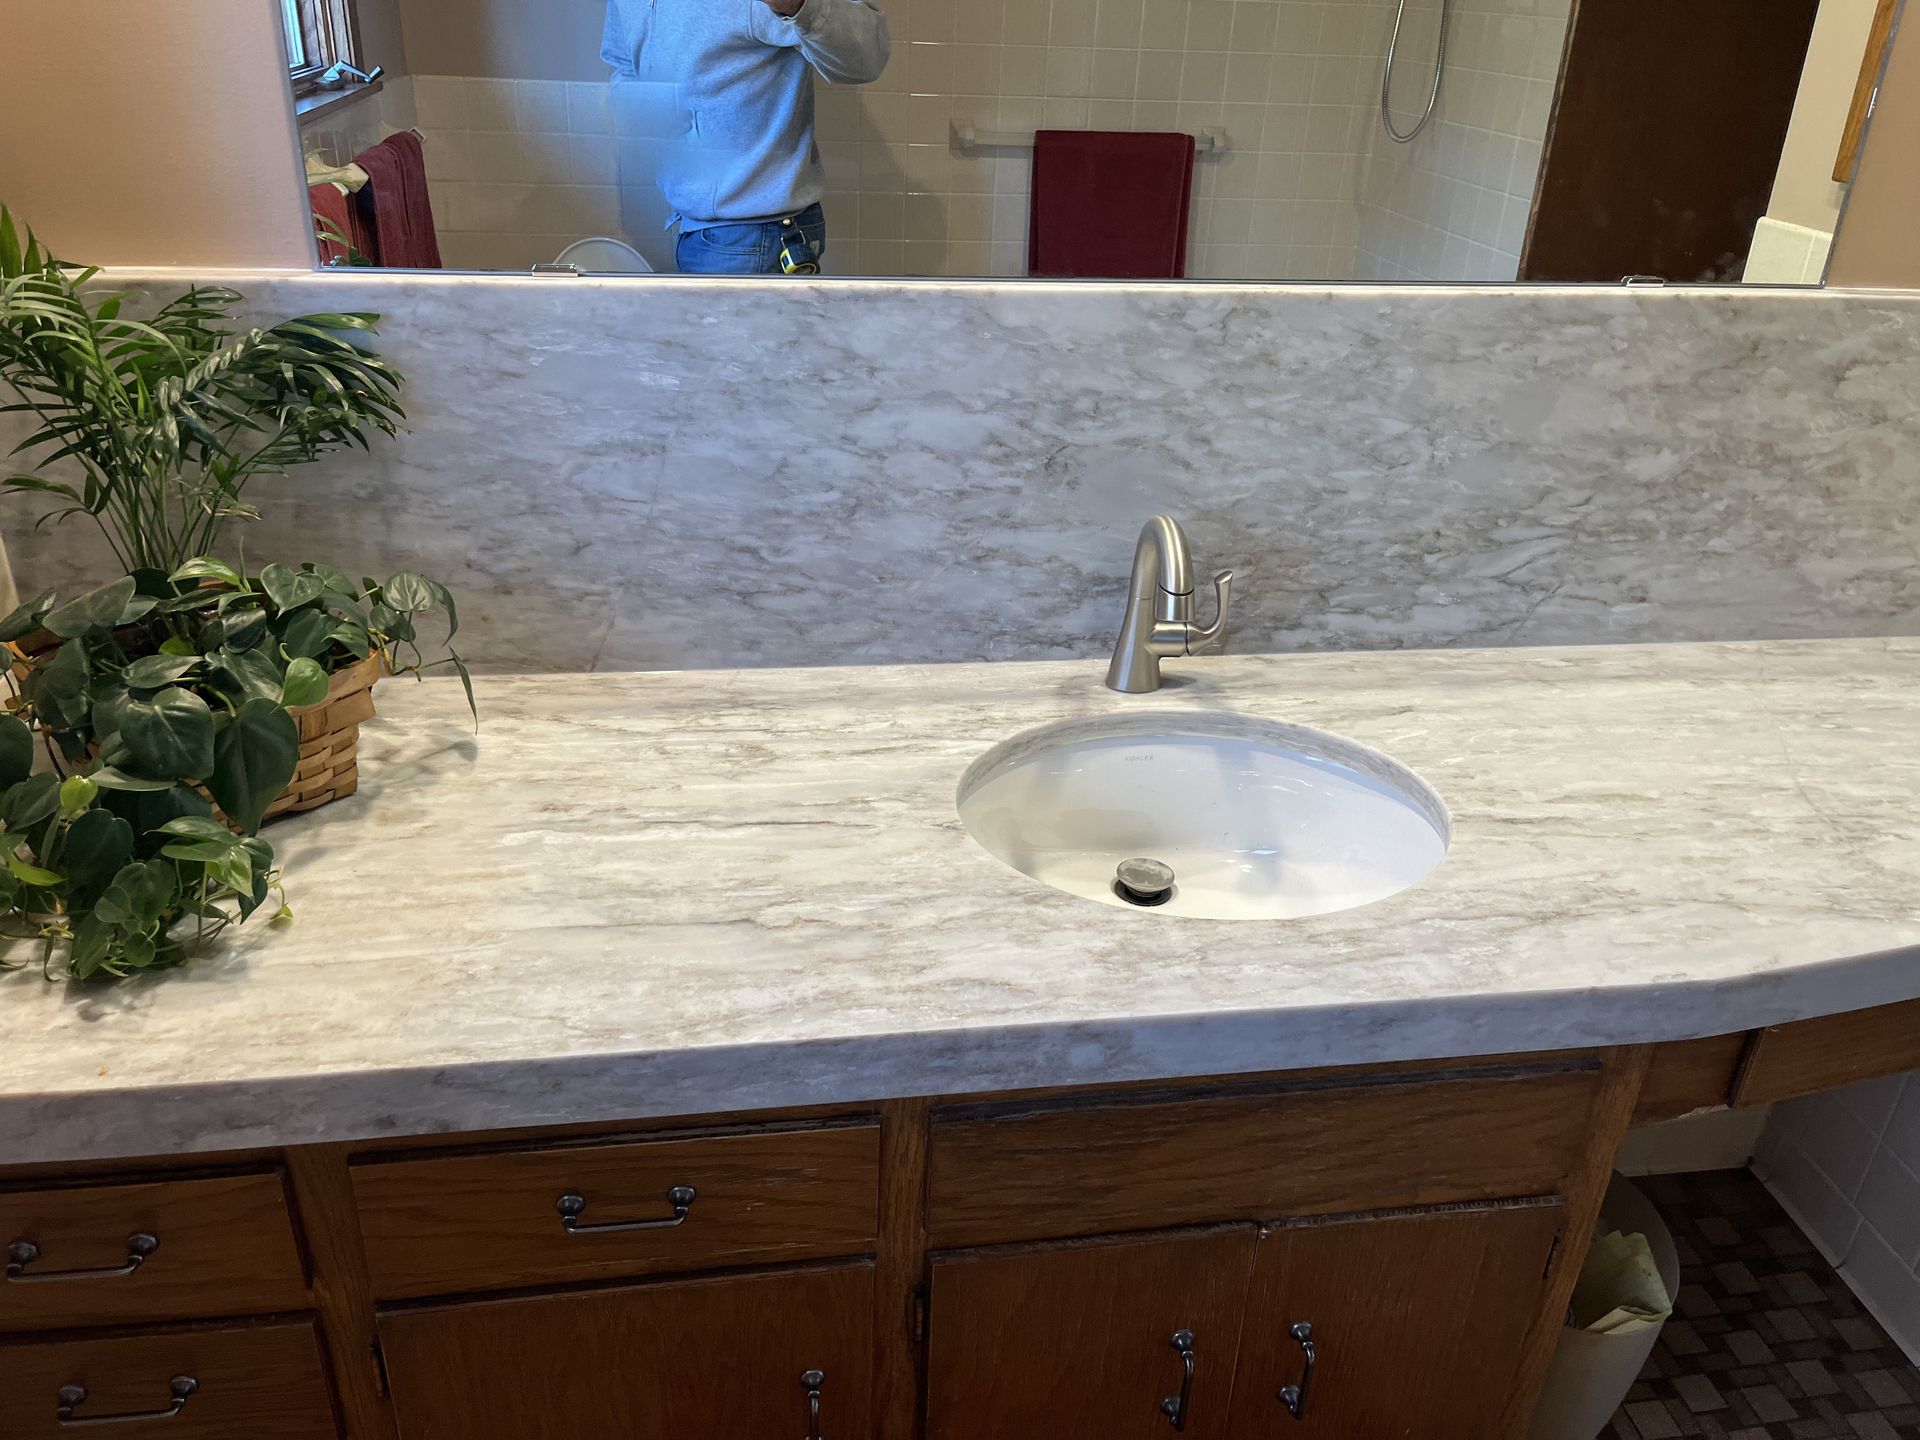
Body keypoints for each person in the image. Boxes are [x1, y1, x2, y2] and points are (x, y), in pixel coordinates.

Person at [601, 0, 891, 275]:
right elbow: (624, 65)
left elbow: (867, 57)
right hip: (697, 226)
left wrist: (800, 5)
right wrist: (643, 113)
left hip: (756, 235)